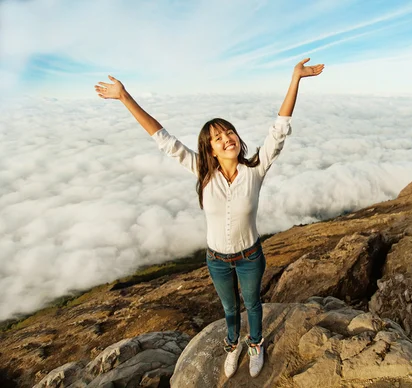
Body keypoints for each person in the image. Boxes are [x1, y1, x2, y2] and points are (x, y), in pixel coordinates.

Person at [94, 58, 324, 378]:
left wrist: (296, 78)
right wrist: (124, 97)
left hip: (250, 257)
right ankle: (233, 344)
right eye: (218, 137)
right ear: (211, 149)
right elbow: (164, 139)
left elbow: (280, 128)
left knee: (253, 305)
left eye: (229, 132)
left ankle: (255, 343)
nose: (227, 138)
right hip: (216, 259)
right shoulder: (202, 172)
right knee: (230, 309)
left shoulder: (255, 169)